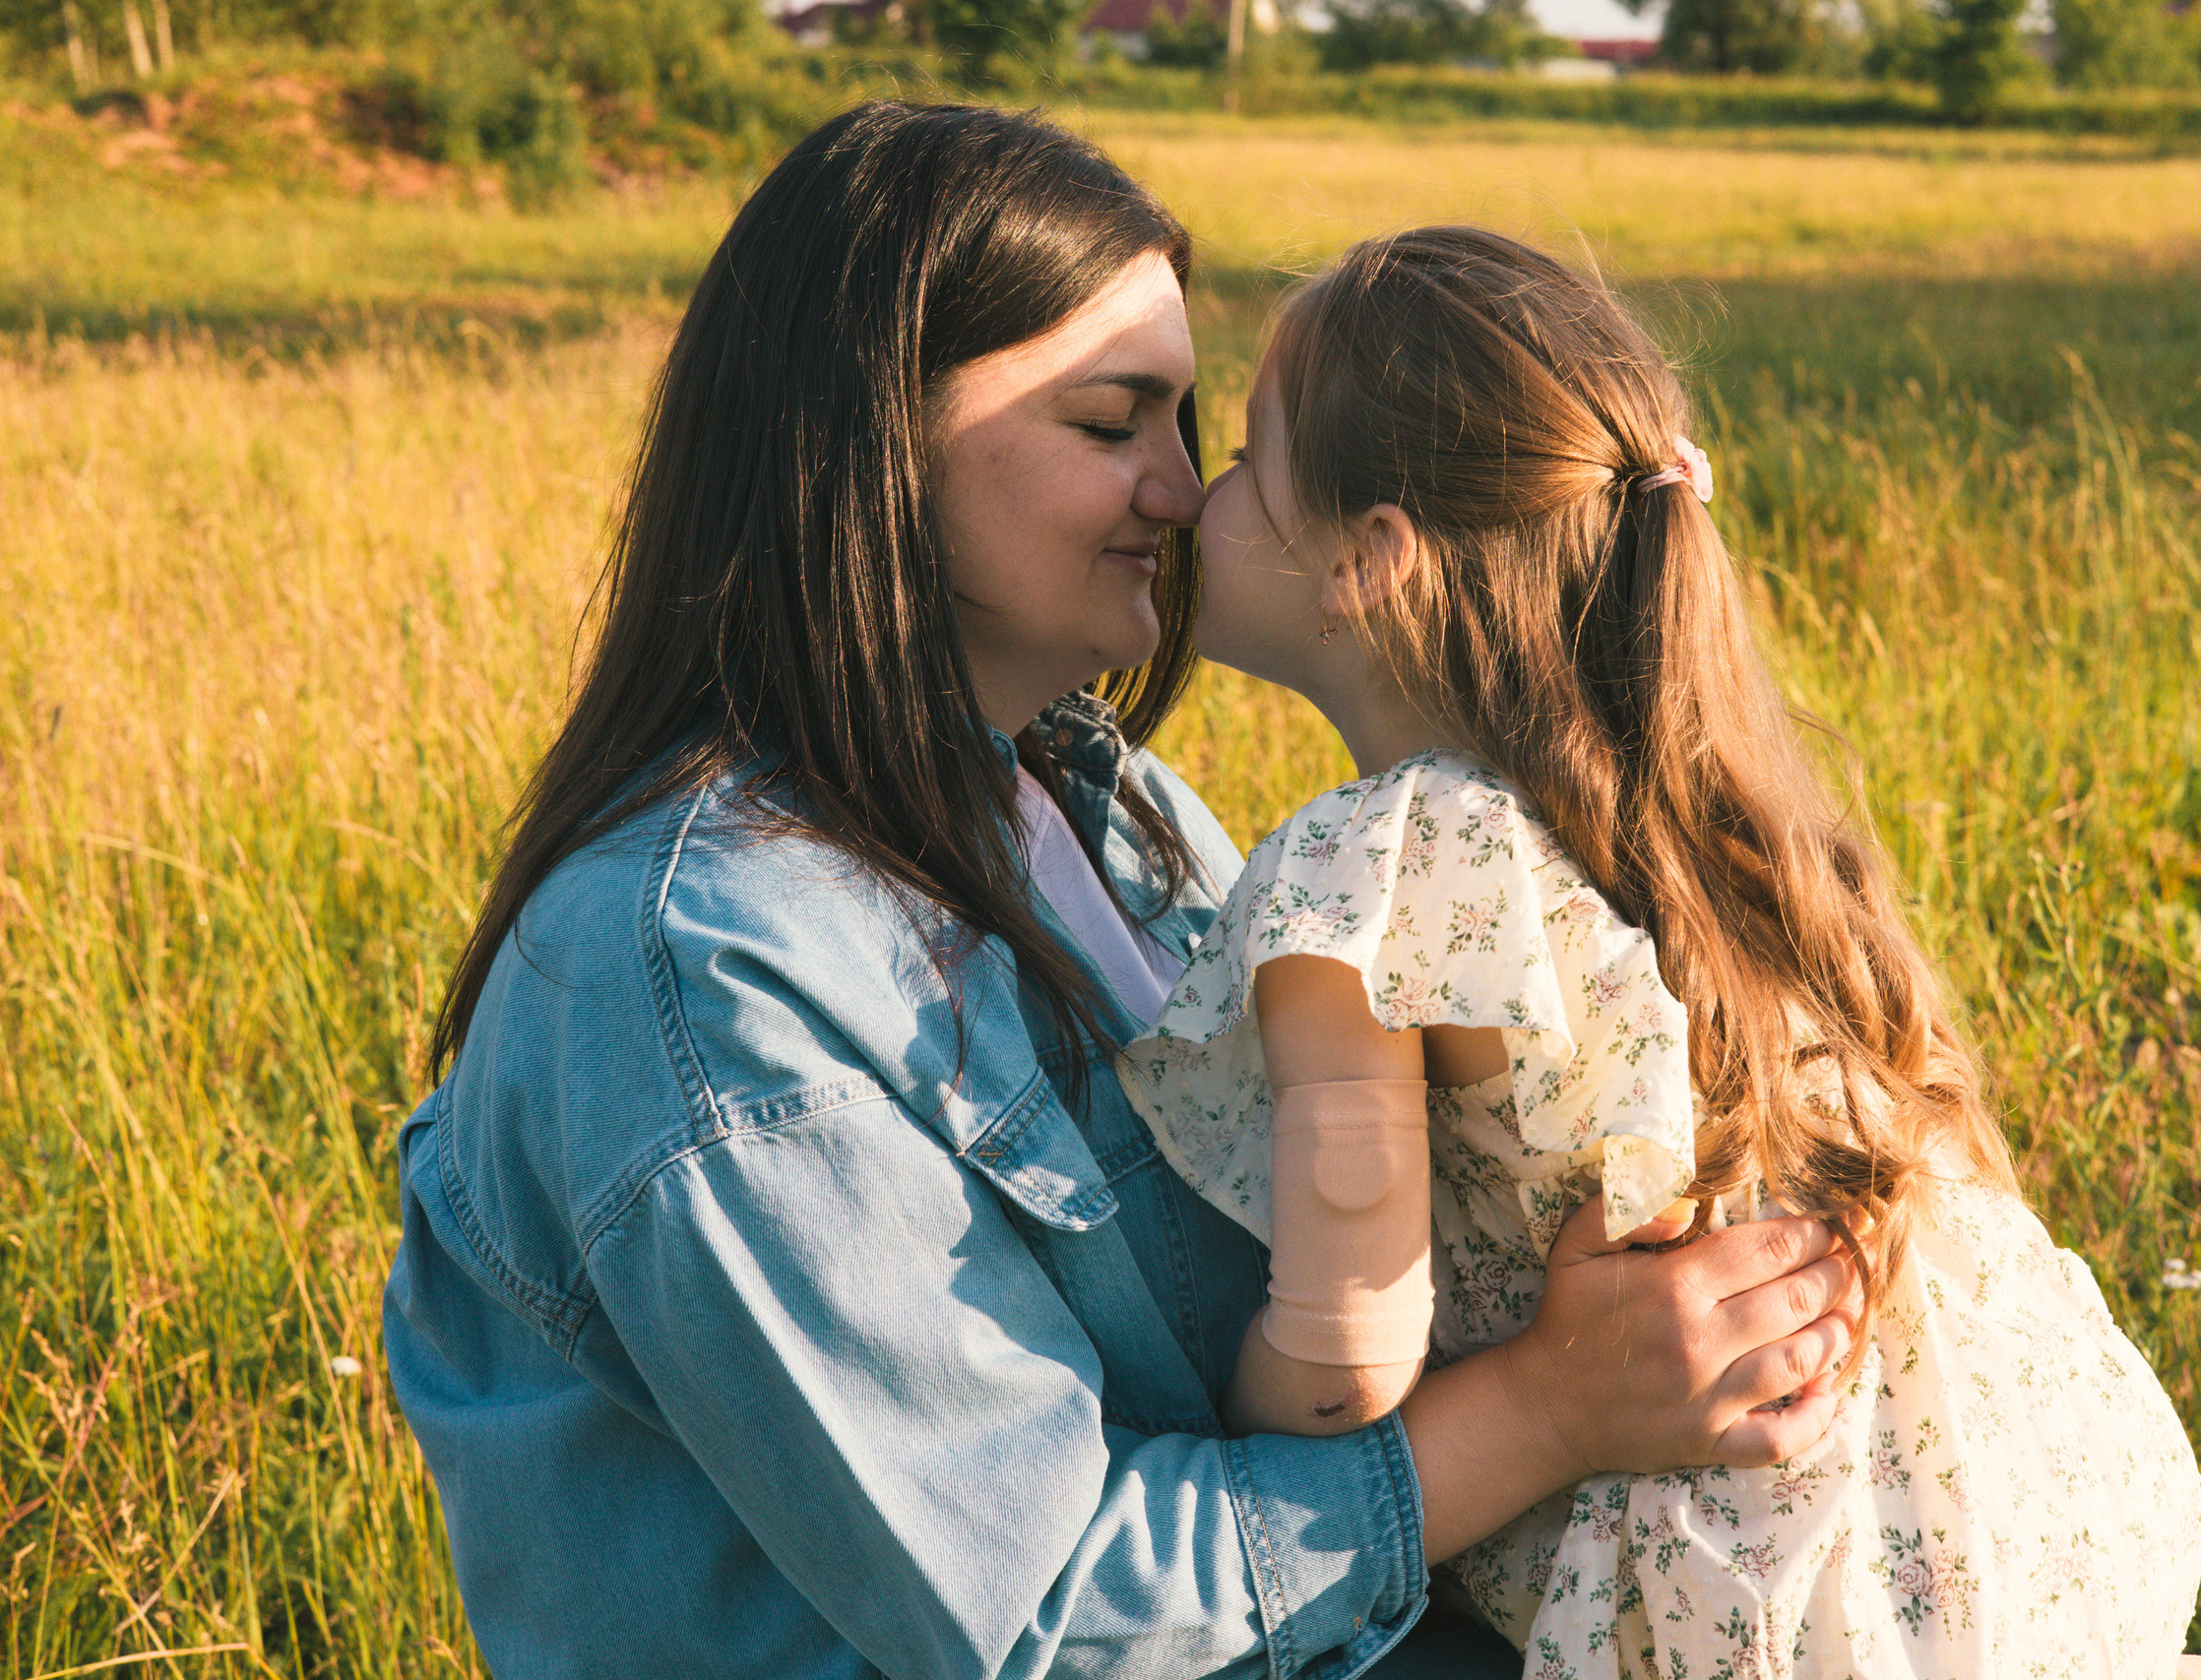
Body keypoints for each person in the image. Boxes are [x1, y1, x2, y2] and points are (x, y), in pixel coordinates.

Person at [380, 104, 1864, 1680]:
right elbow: (1044, 1618)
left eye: (1191, 425)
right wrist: (1559, 1406)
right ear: (872, 445)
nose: (1184, 491)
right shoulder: (696, 962)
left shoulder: (1117, 813)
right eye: (1113, 424)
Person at [1117, 226, 2201, 1678]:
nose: (1204, 493)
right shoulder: (1713, 817)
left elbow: (1344, 1359)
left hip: (1768, 1594)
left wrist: (1206, 1425)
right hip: (2043, 1507)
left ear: (1366, 564)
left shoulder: (1366, 869)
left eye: (1246, 458)